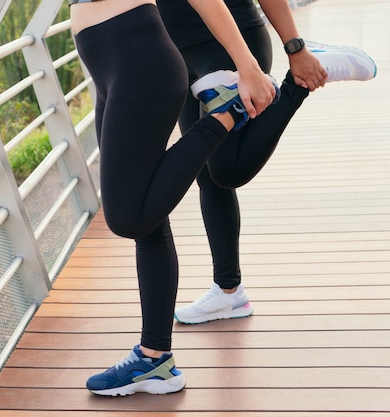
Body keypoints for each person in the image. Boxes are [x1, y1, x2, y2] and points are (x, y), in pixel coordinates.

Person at [69, 0, 281, 396]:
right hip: (114, 63)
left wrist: (247, 64)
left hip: (137, 60)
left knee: (129, 216)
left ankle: (226, 112)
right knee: (148, 212)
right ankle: (155, 360)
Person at [155, 0, 377, 324]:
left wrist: (294, 47)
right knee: (205, 173)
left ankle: (297, 84)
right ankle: (228, 293)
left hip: (230, 47)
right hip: (181, 51)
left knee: (229, 170)